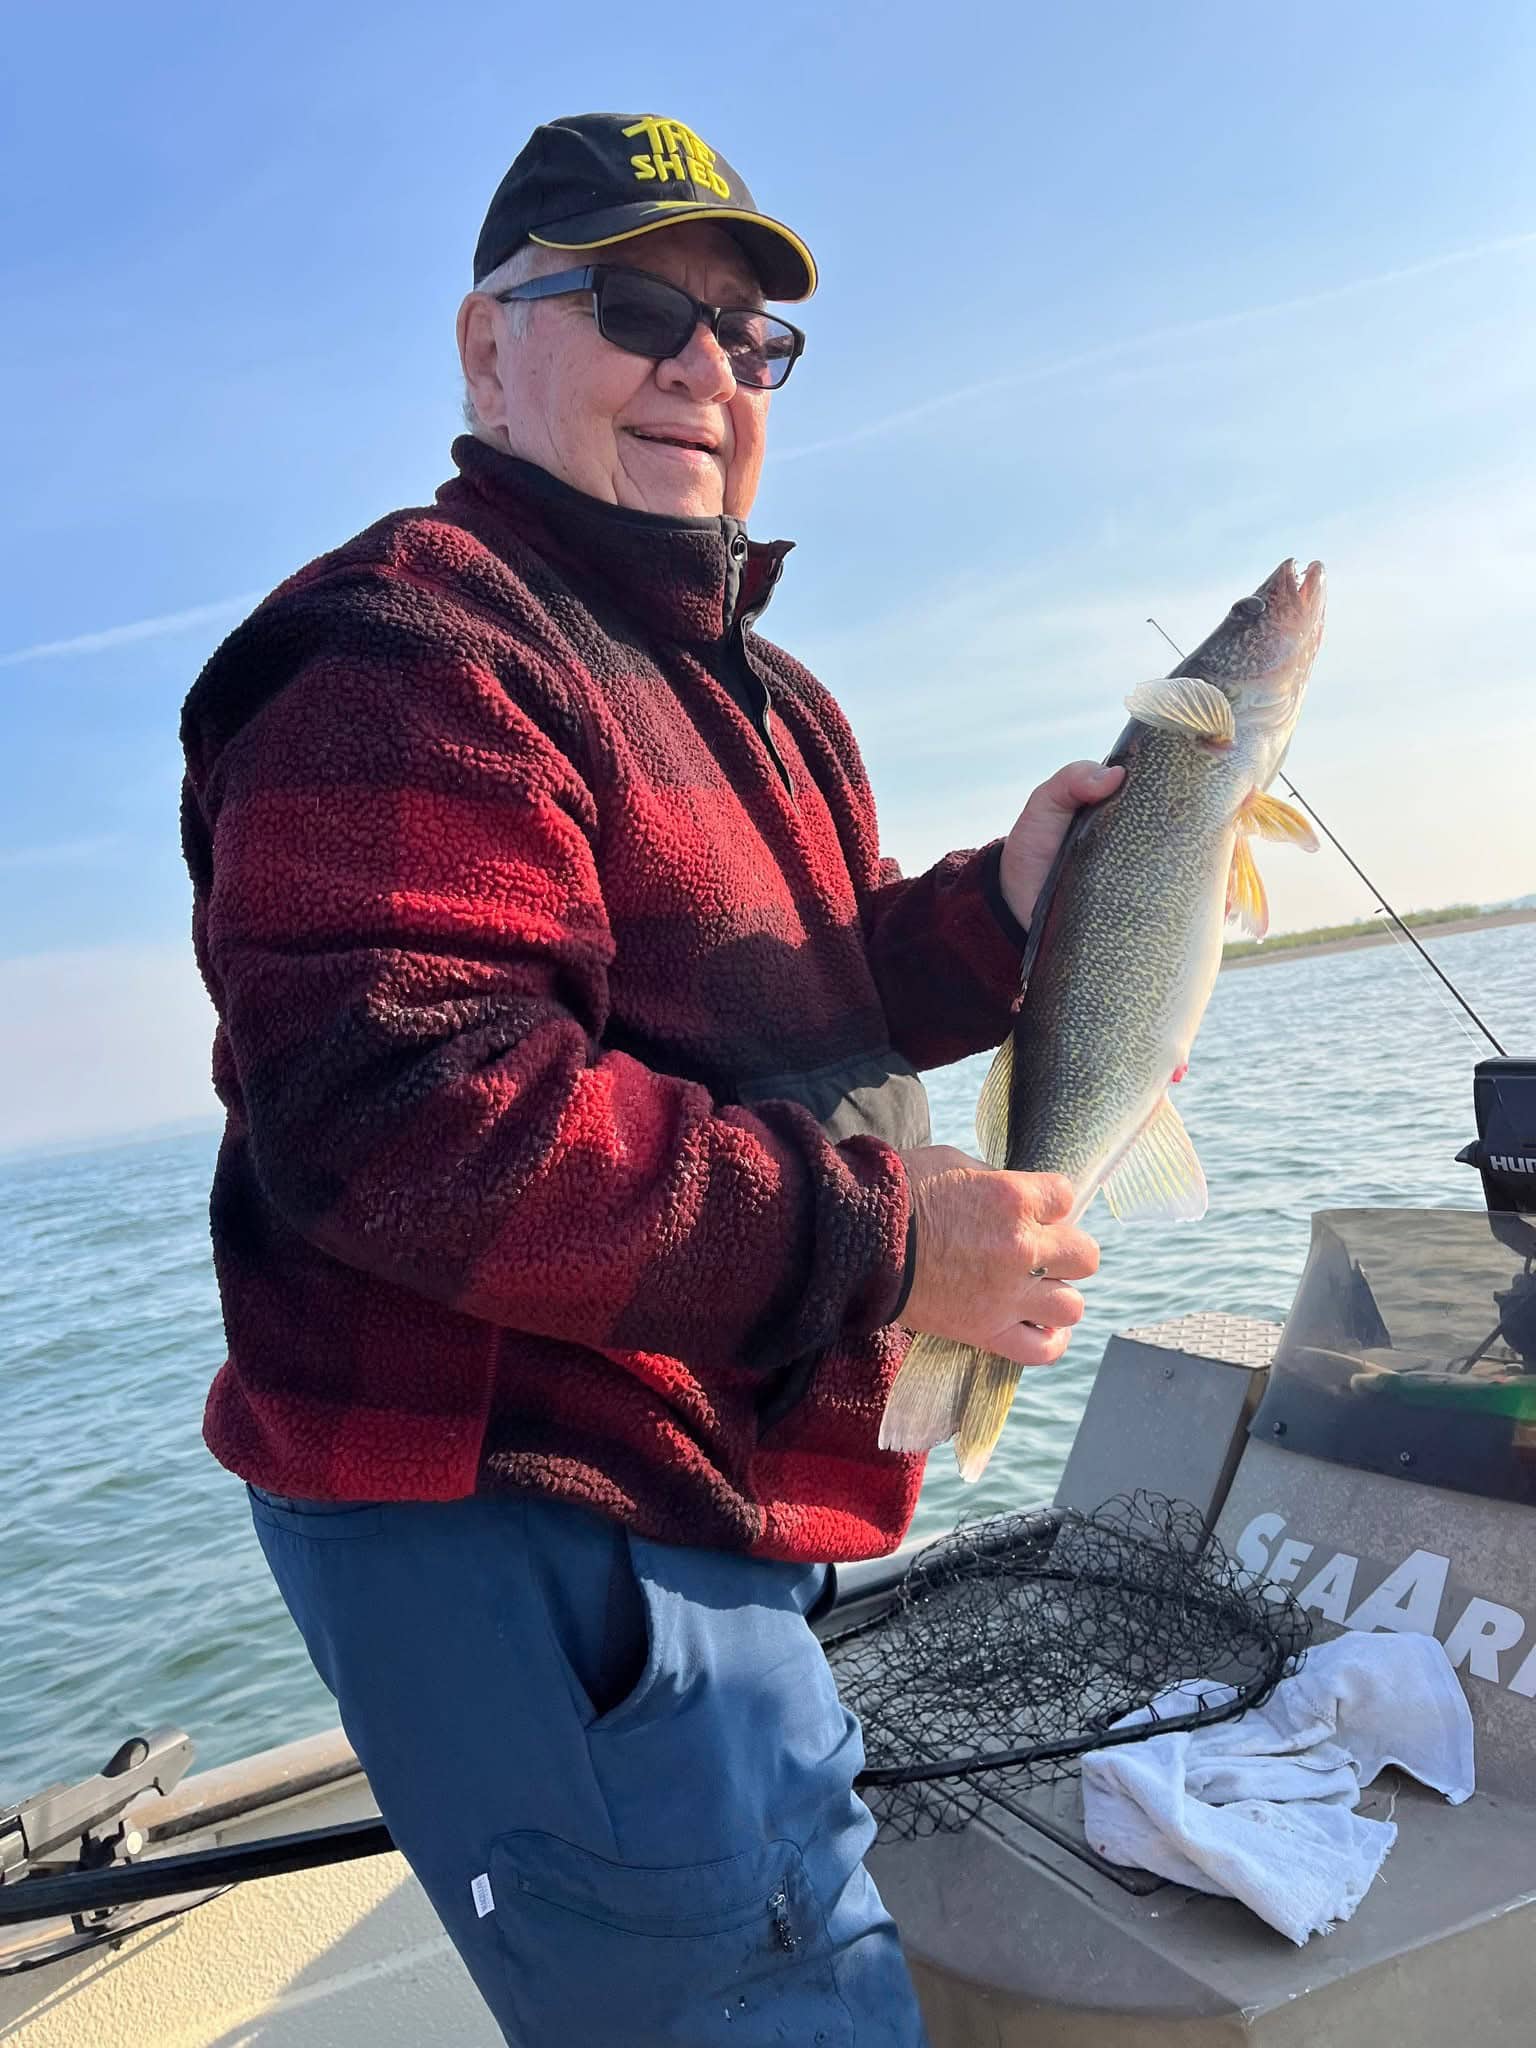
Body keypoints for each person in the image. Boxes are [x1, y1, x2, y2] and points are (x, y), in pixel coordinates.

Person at [179, 111, 1118, 2046]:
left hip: (698, 1474)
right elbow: (417, 1120)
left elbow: (802, 978)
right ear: (484, 348)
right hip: (526, 1519)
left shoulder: (742, 682)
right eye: (636, 309)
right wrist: (890, 1249)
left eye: (749, 340)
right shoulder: (407, 644)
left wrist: (1009, 911)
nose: (704, 369)